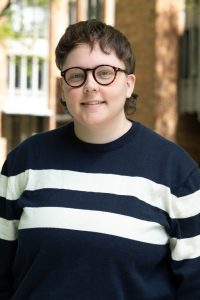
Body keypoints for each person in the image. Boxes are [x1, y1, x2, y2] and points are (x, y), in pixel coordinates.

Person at [0, 19, 200, 300]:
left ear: (129, 84)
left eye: (105, 73)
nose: (90, 85)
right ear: (63, 88)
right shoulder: (24, 162)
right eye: (77, 75)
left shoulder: (176, 172)